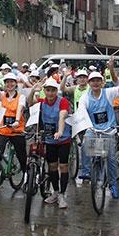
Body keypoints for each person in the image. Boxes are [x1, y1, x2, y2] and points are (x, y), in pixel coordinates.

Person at [77, 58, 119, 199]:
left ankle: (112, 184)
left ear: (101, 82)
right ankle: (87, 171)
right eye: (92, 81)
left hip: (108, 130)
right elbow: (81, 110)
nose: (95, 83)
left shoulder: (108, 93)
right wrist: (85, 125)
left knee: (111, 158)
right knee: (84, 143)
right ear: (89, 83)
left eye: (98, 81)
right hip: (93, 130)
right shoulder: (85, 98)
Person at [28, 78, 72, 208]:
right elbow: (30, 102)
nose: (50, 93)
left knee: (63, 167)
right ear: (44, 91)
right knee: (52, 167)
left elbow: (62, 117)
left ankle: (62, 195)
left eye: (53, 90)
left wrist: (59, 131)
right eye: (48, 90)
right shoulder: (42, 102)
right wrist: (32, 90)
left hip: (63, 139)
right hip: (49, 140)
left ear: (56, 91)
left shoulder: (62, 102)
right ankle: (56, 192)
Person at [0, 69, 27, 192]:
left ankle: (27, 176)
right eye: (7, 82)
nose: (9, 84)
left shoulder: (21, 97)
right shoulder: (2, 96)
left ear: (16, 83)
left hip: (16, 130)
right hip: (3, 130)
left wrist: (17, 121)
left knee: (21, 154)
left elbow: (20, 109)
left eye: (12, 82)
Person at [60, 67, 91, 179]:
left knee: (88, 144)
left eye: (84, 77)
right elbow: (62, 88)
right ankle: (86, 167)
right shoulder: (74, 88)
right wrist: (65, 76)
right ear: (77, 79)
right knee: (83, 144)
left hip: (89, 119)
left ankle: (88, 167)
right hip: (79, 119)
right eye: (80, 77)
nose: (82, 80)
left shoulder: (91, 88)